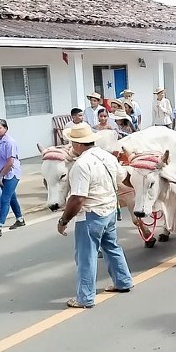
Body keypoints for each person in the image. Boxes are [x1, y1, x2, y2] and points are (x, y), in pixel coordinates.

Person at [56, 123, 133, 308]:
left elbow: (78, 198)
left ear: (77, 144)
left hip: (91, 215)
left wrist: (63, 220)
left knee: (86, 256)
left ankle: (85, 298)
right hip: (110, 210)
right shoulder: (107, 156)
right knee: (112, 247)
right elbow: (123, 178)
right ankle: (123, 281)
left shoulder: (81, 164)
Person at [0, 119, 24, 237]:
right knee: (12, 197)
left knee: (5, 199)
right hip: (1, 175)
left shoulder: (9, 142)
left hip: (11, 174)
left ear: (5, 128)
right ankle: (20, 219)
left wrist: (1, 176)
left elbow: (10, 162)